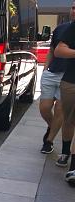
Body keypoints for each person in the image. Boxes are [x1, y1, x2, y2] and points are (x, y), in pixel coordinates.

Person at [40, 14, 74, 156]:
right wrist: (45, 68)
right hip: (52, 73)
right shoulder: (61, 28)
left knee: (60, 110)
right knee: (44, 108)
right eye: (73, 6)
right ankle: (52, 126)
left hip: (67, 77)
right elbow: (53, 50)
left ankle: (49, 141)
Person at [53, 2, 75, 185]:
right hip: (71, 82)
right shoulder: (72, 28)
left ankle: (74, 167)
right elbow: (59, 50)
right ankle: (66, 151)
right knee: (69, 121)